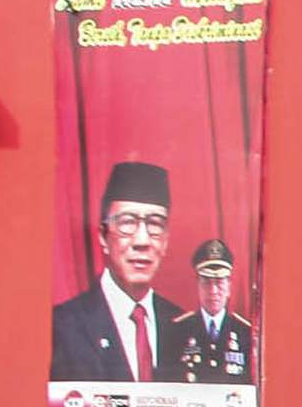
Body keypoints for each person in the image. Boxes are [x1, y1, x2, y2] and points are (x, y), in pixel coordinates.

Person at [49, 159, 174, 382]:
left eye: (155, 224)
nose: (142, 241)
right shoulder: (63, 325)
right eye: (127, 223)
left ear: (166, 241)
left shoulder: (182, 325)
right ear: (103, 237)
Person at [163, 237, 256, 384]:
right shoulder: (178, 330)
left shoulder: (245, 332)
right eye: (206, 282)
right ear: (198, 285)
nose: (213, 291)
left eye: (219, 283)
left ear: (229, 287)